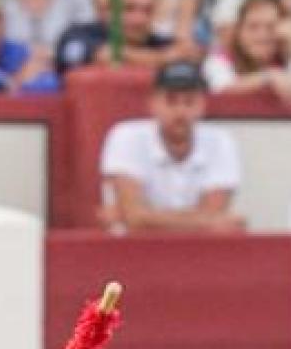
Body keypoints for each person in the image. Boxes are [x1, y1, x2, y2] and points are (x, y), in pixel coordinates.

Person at [99, 57, 246, 233]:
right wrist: (203, 221)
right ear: (152, 104)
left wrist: (146, 217)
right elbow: (135, 219)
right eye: (171, 101)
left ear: (202, 105)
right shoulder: (125, 136)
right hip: (132, 252)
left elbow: (214, 215)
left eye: (189, 101)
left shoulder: (221, 141)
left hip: (201, 253)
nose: (180, 111)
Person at [202, 0, 291, 101]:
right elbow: (220, 92)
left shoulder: (288, 59)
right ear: (239, 32)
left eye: (271, 27)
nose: (262, 36)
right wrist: (268, 77)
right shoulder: (219, 59)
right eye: (253, 27)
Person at [53, 0, 179, 72]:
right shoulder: (78, 35)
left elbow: (184, 53)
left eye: (148, 10)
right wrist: (160, 59)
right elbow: (104, 55)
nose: (139, 19)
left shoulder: (162, 43)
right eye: (128, 8)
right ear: (108, 11)